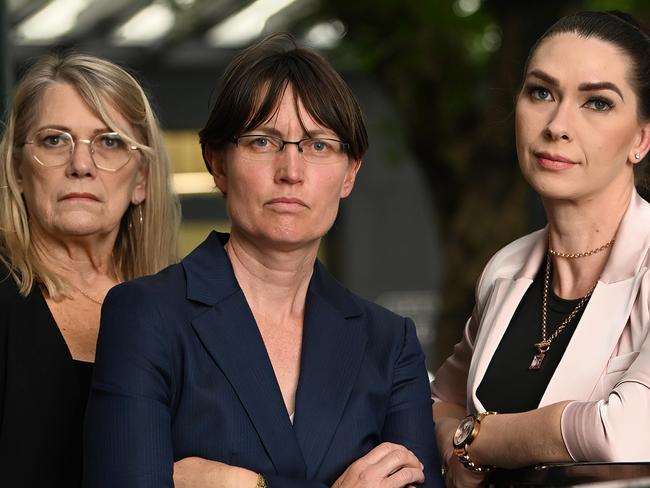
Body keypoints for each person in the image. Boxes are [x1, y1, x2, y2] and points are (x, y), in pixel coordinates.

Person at [84, 34, 442, 488]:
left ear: (350, 173)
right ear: (217, 163)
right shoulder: (146, 315)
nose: (290, 171)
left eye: (318, 146)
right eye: (262, 141)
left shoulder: (390, 344)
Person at [430, 10, 650, 487]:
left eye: (597, 103)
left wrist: (477, 441)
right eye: (541, 92)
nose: (557, 125)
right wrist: (454, 443)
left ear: (641, 138)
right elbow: (433, 399)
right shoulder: (507, 268)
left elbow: (623, 433)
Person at [0, 53, 180, 487]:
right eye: (54, 140)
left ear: (140, 181)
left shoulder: (182, 314)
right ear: (19, 171)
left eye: (110, 142)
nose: (81, 165)